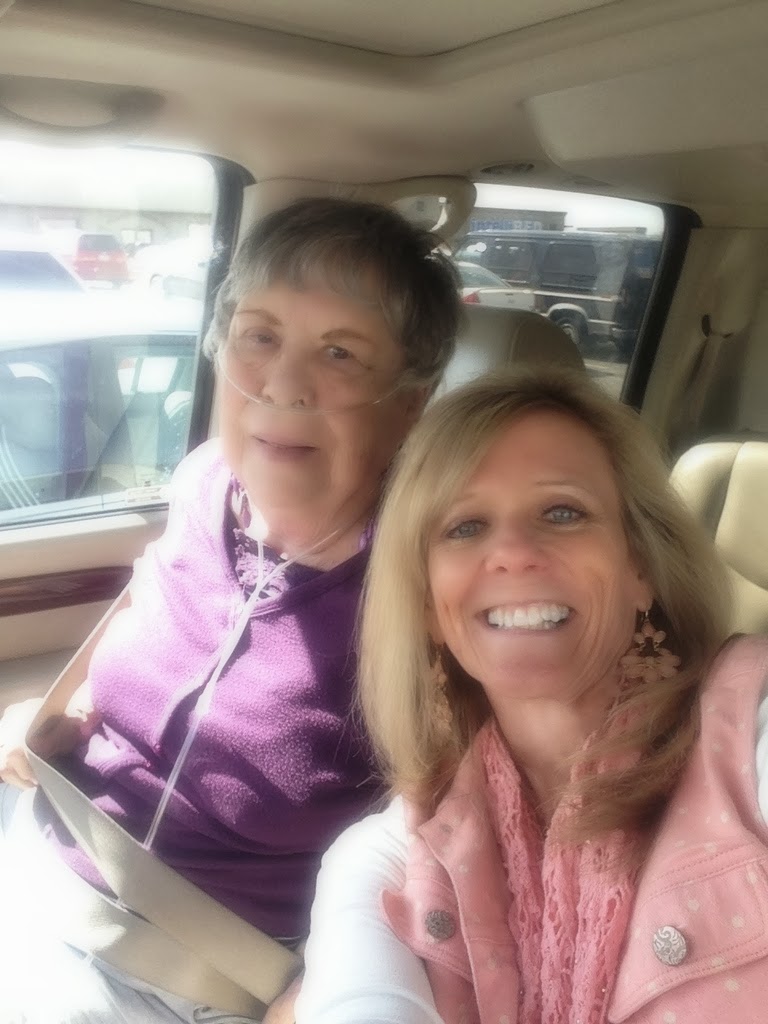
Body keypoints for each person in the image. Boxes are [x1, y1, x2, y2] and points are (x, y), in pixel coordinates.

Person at [0, 196, 462, 1024]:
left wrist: (335, 972)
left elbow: (442, 836)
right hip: (38, 854)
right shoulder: (206, 480)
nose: (282, 383)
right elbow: (154, 642)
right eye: (259, 336)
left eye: (340, 353)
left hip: (190, 978)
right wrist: (49, 715)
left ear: (410, 400)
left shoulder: (424, 587)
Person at [294, 369, 768, 1024]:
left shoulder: (749, 734)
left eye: (563, 513)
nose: (514, 553)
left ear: (639, 569)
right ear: (429, 606)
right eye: (464, 527)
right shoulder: (389, 860)